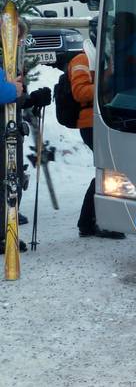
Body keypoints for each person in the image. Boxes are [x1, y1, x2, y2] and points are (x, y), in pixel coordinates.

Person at [0, 21, 52, 255]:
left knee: (14, 180)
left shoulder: (12, 62)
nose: (19, 42)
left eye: (20, 37)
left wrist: (32, 99)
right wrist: (14, 91)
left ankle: (6, 230)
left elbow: (16, 98)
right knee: (6, 181)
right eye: (16, 37)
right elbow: (8, 93)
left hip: (11, 131)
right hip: (3, 132)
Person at [69, 20, 124, 240]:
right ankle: (95, 220)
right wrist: (106, 86)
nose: (110, 37)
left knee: (109, 168)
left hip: (104, 119)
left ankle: (88, 222)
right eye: (106, 33)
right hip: (89, 122)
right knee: (108, 168)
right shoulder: (82, 59)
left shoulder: (105, 57)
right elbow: (79, 92)